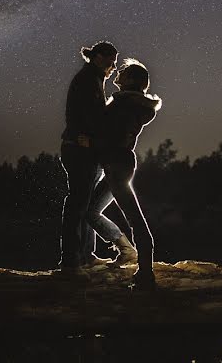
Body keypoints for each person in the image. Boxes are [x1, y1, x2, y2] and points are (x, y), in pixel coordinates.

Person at [86, 58, 162, 290]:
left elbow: (116, 134)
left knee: (135, 219)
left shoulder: (125, 105)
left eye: (124, 71)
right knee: (91, 212)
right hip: (117, 162)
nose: (118, 72)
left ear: (131, 80)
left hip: (117, 163)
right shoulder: (129, 103)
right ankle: (127, 250)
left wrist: (91, 141)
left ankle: (146, 273)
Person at [59, 40, 118, 270]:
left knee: (84, 204)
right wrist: (94, 141)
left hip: (86, 148)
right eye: (111, 62)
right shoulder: (87, 80)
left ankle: (86, 256)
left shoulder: (94, 79)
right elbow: (90, 118)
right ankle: (71, 261)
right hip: (80, 149)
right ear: (99, 58)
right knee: (78, 205)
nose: (113, 67)